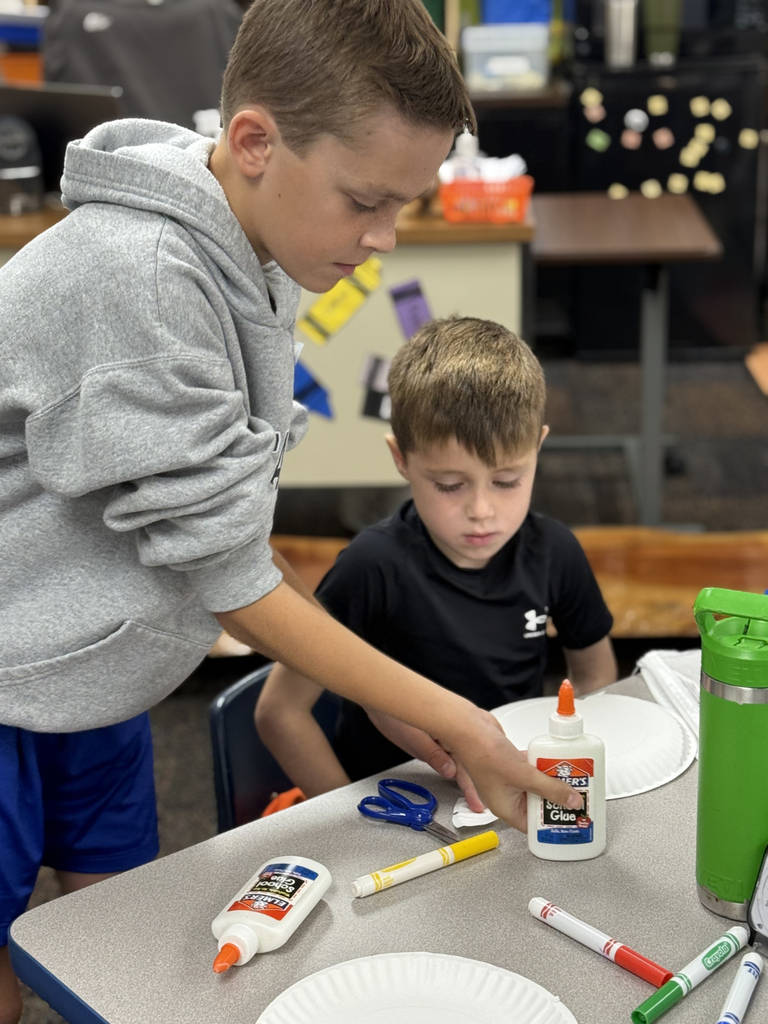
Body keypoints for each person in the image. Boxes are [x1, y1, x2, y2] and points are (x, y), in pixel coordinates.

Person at [0, 3, 583, 1019]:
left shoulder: (245, 240)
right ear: (257, 141)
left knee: (126, 958)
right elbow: (233, 579)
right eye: (366, 199)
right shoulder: (141, 274)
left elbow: (216, 523)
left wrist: (387, 694)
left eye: (403, 203)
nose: (385, 237)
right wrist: (451, 714)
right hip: (9, 679)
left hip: (87, 677)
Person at [256, 317, 618, 792]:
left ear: (539, 447)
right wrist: (347, 816)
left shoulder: (556, 553)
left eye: (507, 481)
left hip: (502, 794)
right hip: (391, 805)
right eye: (449, 485)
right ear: (401, 458)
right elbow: (279, 712)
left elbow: (595, 675)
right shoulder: (372, 567)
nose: (482, 511)